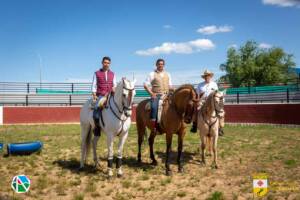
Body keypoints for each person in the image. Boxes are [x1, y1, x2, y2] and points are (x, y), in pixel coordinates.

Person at [190, 69, 224, 136]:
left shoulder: (214, 84)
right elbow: (197, 95)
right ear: (204, 77)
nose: (207, 77)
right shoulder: (200, 85)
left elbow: (217, 93)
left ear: (210, 76)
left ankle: (220, 128)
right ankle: (194, 125)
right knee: (196, 110)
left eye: (208, 76)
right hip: (202, 101)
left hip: (212, 102)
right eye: (206, 76)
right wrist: (198, 101)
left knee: (220, 111)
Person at [144, 58, 173, 131]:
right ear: (156, 65)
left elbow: (170, 86)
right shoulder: (152, 74)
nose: (161, 65)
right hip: (157, 95)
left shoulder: (168, 74)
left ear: (164, 65)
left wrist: (174, 90)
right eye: (159, 64)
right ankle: (154, 126)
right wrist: (151, 93)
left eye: (162, 64)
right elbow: (145, 85)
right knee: (154, 107)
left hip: (167, 94)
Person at [91, 56, 116, 136]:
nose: (106, 64)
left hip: (111, 95)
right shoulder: (97, 73)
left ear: (110, 64)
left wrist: (114, 89)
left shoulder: (113, 74)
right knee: (96, 112)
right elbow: (94, 85)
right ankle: (97, 128)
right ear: (102, 63)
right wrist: (94, 95)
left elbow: (114, 85)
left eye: (108, 63)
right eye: (105, 62)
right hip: (101, 95)